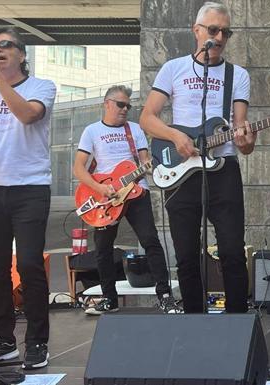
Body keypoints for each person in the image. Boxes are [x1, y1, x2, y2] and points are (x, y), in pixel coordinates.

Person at [140, 2, 255, 313]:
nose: (219, 37)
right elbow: (148, 118)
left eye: (225, 32)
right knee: (187, 255)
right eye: (213, 30)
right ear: (197, 31)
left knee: (232, 251)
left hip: (223, 169)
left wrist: (247, 139)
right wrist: (177, 137)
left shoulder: (238, 75)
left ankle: (236, 322)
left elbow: (242, 136)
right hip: (181, 171)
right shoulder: (173, 68)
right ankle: (192, 322)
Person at [0, 27, 56, 369]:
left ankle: (37, 341)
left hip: (30, 187)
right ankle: (4, 340)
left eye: (5, 46)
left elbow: (28, 115)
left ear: (21, 53)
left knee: (30, 263)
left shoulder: (41, 87)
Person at [73, 85, 175, 315]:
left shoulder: (135, 129)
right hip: (106, 198)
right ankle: (109, 299)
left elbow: (145, 161)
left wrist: (157, 166)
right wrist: (99, 187)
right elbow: (79, 169)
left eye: (128, 105)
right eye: (121, 104)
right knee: (103, 248)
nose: (125, 109)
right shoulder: (91, 131)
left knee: (150, 240)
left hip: (136, 191)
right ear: (106, 104)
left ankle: (165, 295)